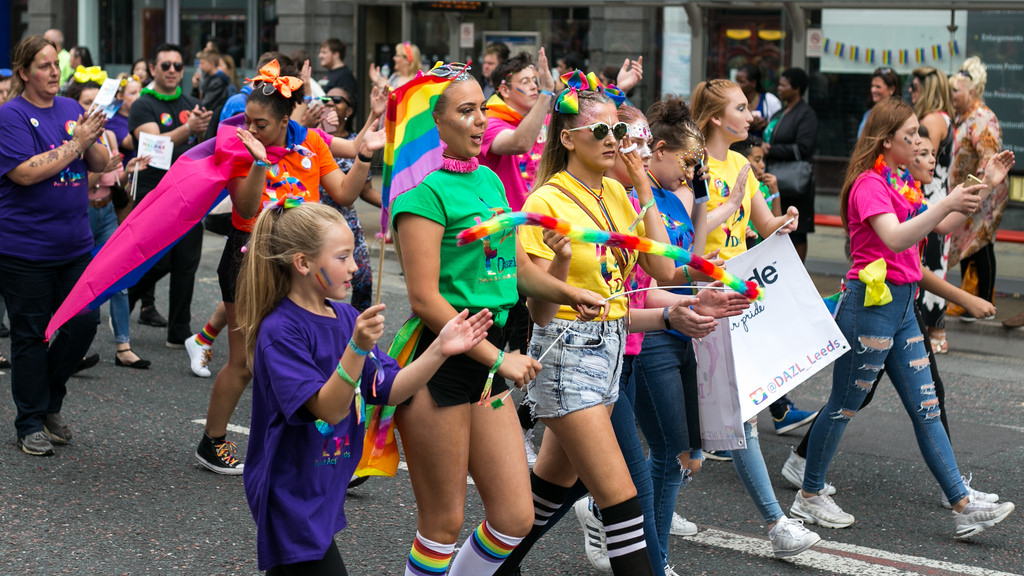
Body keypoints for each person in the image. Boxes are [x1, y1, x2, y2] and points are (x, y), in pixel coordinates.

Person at [390, 63, 606, 576]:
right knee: (442, 525)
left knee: (514, 516)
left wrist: (568, 289)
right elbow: (424, 300)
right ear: (433, 124)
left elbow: (515, 270)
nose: (480, 120)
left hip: (494, 361)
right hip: (441, 363)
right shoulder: (420, 200)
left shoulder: (489, 179)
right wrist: (498, 359)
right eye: (466, 111)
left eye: (482, 108)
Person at [793, 97, 1016, 539]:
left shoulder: (899, 182)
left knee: (927, 408)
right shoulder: (868, 185)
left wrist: (987, 185)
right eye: (910, 134)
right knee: (844, 406)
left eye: (919, 133)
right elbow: (896, 238)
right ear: (886, 140)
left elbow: (942, 227)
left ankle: (962, 505)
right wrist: (947, 199)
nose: (918, 141)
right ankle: (809, 495)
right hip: (869, 308)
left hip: (901, 310)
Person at [235, 198, 493, 574]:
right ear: (303, 264)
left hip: (323, 484)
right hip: (290, 495)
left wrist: (440, 349)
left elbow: (391, 389)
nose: (355, 266)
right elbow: (328, 408)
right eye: (342, 257)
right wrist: (356, 348)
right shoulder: (281, 332)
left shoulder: (343, 315)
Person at [506, 73, 680, 576]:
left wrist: (643, 182)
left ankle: (481, 569)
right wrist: (559, 270)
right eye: (600, 132)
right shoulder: (545, 203)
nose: (613, 141)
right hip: (566, 355)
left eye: (618, 132)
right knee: (623, 503)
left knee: (547, 494)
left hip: (609, 354)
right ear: (567, 139)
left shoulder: (616, 194)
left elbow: (662, 270)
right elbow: (538, 311)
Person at [195, 59, 381, 475]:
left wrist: (364, 155)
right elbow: (244, 211)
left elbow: (344, 194)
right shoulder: (241, 145)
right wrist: (260, 159)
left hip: (299, 263)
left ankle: (319, 448)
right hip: (249, 259)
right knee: (244, 363)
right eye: (249, 120)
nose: (252, 127)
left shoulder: (312, 143)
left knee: (311, 356)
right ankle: (212, 441)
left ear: (284, 120)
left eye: (261, 123)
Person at [687, 77, 820, 553]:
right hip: (697, 298)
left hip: (735, 301)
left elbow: (762, 226)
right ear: (718, 119)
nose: (751, 116)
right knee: (722, 417)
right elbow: (685, 236)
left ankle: (610, 508)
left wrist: (784, 220)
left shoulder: (742, 162)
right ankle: (776, 524)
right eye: (741, 109)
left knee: (721, 416)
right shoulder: (693, 165)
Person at [0, 35, 109, 456]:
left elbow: (98, 164)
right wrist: (76, 143)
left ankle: (48, 400)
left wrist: (94, 139)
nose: (53, 72)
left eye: (55, 65)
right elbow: (25, 173)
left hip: (75, 245)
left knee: (84, 321)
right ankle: (30, 421)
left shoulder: (69, 109)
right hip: (25, 251)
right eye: (43, 66)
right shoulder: (10, 116)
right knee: (30, 336)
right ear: (24, 72)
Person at [128, 43, 213, 344]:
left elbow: (198, 146)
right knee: (157, 260)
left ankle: (178, 330)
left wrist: (199, 130)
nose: (173, 71)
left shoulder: (190, 101)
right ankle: (126, 300)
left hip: (189, 193)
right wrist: (188, 128)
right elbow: (154, 147)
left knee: (187, 263)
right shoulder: (143, 104)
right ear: (153, 69)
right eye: (166, 66)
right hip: (155, 192)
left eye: (178, 65)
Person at [66, 76, 153, 370]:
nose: (95, 109)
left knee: (119, 277)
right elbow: (77, 186)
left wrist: (127, 169)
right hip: (83, 213)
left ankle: (123, 347)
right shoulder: (73, 140)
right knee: (77, 282)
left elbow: (115, 182)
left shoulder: (108, 136)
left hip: (106, 213)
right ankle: (72, 348)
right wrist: (101, 166)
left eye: (98, 103)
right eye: (87, 103)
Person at [948, 57, 1008, 322]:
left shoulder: (982, 117)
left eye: (955, 91)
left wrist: (976, 190)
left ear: (971, 92)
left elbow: (989, 159)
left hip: (983, 192)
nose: (952, 95)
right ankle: (969, 299)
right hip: (970, 190)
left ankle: (984, 302)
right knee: (967, 243)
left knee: (980, 243)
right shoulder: (964, 117)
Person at [320, 85, 382, 313]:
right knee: (319, 286)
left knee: (363, 281)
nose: (331, 103)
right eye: (327, 98)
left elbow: (364, 190)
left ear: (349, 110)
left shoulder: (361, 141)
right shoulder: (312, 136)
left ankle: (358, 334)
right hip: (319, 225)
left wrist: (392, 206)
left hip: (347, 223)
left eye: (338, 99)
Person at [909, 67, 956, 352]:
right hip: (938, 197)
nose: (911, 92)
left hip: (931, 198)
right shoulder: (945, 118)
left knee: (931, 264)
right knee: (934, 264)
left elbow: (921, 161)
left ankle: (935, 332)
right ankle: (932, 331)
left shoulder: (932, 120)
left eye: (915, 87)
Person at [764, 67, 818, 263]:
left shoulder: (806, 114)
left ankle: (797, 270)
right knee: (778, 226)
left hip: (796, 184)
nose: (779, 88)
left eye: (783, 85)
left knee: (797, 229)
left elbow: (804, 147)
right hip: (777, 179)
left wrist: (771, 150)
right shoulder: (781, 111)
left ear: (797, 89)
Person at [731, 136, 781, 246]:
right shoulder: (728, 186)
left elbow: (776, 230)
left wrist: (776, 194)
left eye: (763, 160)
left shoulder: (763, 188)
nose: (762, 165)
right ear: (741, 160)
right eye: (757, 160)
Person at [735, 63, 781, 139]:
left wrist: (765, 125)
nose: (737, 85)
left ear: (753, 83)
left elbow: (779, 128)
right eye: (736, 81)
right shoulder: (733, 100)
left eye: (741, 82)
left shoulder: (770, 101)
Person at [857, 67, 900, 137]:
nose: (873, 90)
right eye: (872, 86)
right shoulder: (868, 114)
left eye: (878, 87)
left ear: (892, 89)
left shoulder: (899, 116)